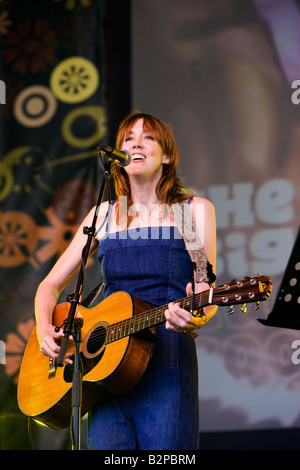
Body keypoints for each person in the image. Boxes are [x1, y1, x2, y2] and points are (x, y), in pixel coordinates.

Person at [34, 111, 217, 450]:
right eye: (128, 138)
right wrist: (46, 329)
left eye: (148, 137)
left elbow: (205, 289)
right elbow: (49, 285)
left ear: (167, 156)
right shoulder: (102, 215)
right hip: (105, 372)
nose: (135, 142)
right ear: (118, 157)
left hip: (166, 369)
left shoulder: (191, 212)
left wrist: (196, 317)